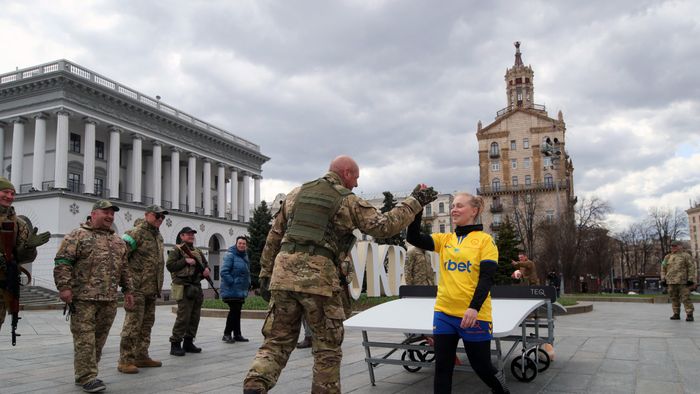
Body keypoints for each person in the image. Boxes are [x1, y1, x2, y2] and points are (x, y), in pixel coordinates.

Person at [243, 155, 437, 394]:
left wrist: (265, 274)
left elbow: (273, 237)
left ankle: (255, 385)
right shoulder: (347, 200)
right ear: (346, 173)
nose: (356, 183)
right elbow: (384, 226)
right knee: (327, 350)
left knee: (276, 342)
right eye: (355, 177)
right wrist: (414, 201)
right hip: (320, 281)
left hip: (283, 278)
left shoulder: (295, 194)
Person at [407, 192, 509, 394]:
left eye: (459, 206)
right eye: (453, 205)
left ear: (474, 211)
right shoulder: (445, 239)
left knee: (482, 368)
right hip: (444, 313)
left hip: (474, 315)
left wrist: (473, 308)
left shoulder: (485, 241)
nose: (454, 209)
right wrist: (418, 208)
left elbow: (486, 278)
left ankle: (502, 391)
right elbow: (413, 237)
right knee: (443, 368)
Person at [54, 200, 135, 393]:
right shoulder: (77, 235)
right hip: (83, 299)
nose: (109, 216)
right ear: (93, 214)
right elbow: (63, 262)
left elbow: (124, 268)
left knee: (99, 339)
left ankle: (87, 372)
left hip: (108, 300)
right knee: (85, 339)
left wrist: (129, 291)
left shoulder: (117, 241)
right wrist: (64, 287)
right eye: (105, 212)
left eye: (112, 214)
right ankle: (87, 377)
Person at [117, 205, 168, 373]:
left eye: (162, 217)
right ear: (147, 215)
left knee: (146, 324)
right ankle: (125, 360)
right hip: (136, 288)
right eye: (157, 215)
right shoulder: (135, 233)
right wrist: (127, 286)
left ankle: (141, 356)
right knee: (132, 325)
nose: (160, 219)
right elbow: (120, 257)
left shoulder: (157, 236)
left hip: (151, 289)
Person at [0, 177, 50, 335]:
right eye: (5, 192)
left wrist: (29, 247)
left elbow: (25, 257)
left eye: (12, 193)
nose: (9, 196)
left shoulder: (19, 223)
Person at [167, 226, 211, 355]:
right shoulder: (177, 250)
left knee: (194, 316)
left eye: (192, 234)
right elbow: (170, 266)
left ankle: (188, 342)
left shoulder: (197, 251)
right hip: (183, 286)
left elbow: (205, 264)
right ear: (182, 236)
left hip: (196, 286)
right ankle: (175, 344)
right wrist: (185, 261)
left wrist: (207, 270)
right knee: (183, 317)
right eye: (188, 234)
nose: (191, 236)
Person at [221, 235, 251, 343]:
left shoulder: (244, 256)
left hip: (240, 290)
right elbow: (224, 272)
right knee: (234, 311)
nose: (242, 245)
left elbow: (247, 272)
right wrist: (232, 283)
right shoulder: (230, 255)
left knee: (237, 311)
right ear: (236, 244)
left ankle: (237, 334)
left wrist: (248, 283)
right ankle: (227, 334)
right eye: (240, 243)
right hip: (232, 290)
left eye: (244, 244)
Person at [661, 240, 696, 321]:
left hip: (683, 281)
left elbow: (691, 268)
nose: (673, 247)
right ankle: (676, 314)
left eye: (675, 246)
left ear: (680, 246)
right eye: (672, 246)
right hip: (671, 281)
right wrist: (663, 279)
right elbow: (663, 268)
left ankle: (689, 314)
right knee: (673, 298)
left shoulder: (686, 256)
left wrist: (690, 279)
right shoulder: (667, 257)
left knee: (685, 298)